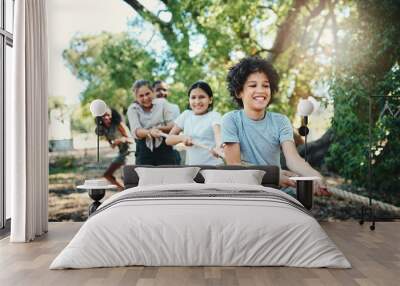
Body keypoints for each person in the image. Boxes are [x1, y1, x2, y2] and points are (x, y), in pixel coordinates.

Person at [222, 56, 330, 195]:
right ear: (239, 92)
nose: (261, 90)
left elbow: (293, 159)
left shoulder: (281, 121)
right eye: (253, 85)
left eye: (265, 85)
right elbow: (234, 166)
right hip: (244, 190)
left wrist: (315, 175)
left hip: (275, 192)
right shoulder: (230, 120)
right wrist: (272, 175)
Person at [166, 81, 223, 165]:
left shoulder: (214, 116)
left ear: (210, 100)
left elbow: (218, 134)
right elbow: (168, 140)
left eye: (201, 97)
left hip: (213, 167)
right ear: (189, 100)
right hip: (192, 168)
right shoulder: (186, 115)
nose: (197, 101)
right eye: (193, 97)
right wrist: (182, 138)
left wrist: (218, 147)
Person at [127, 79, 178, 165]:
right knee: (146, 177)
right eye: (141, 96)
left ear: (153, 92)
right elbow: (136, 131)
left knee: (168, 176)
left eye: (147, 94)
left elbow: (172, 125)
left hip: (165, 147)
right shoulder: (132, 109)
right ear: (136, 97)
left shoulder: (163, 103)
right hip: (143, 149)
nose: (145, 98)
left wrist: (158, 129)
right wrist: (150, 132)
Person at [98, 108, 133, 190]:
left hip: (131, 151)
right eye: (103, 116)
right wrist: (114, 143)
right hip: (122, 153)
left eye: (108, 115)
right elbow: (112, 145)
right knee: (107, 175)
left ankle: (130, 192)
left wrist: (121, 140)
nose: (106, 117)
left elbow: (132, 140)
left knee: (126, 176)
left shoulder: (118, 124)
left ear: (112, 115)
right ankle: (123, 190)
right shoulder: (105, 129)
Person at [153, 80, 182, 164]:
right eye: (158, 90)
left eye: (164, 90)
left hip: (170, 150)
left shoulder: (174, 108)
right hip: (151, 152)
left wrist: (157, 129)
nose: (161, 92)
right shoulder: (147, 109)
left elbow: (176, 130)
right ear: (152, 92)